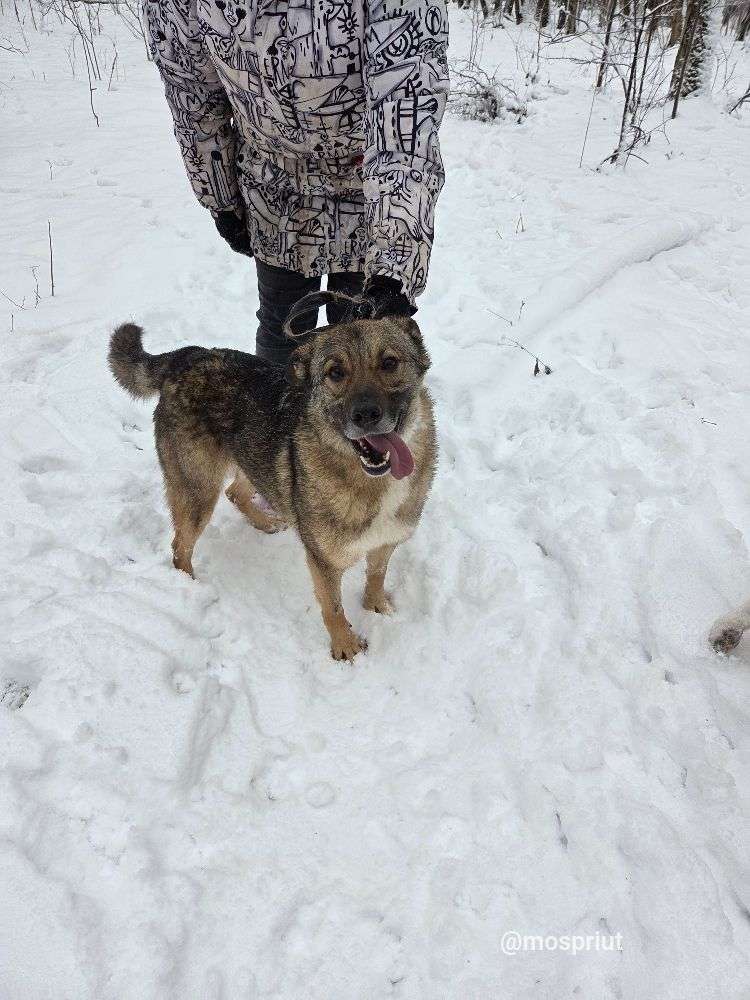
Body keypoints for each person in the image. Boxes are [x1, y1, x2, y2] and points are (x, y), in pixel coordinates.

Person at [144, 0, 449, 364]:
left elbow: (405, 107)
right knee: (281, 331)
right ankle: (277, 401)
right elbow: (192, 94)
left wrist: (392, 271)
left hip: (369, 197)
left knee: (362, 340)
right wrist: (220, 198)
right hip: (274, 194)